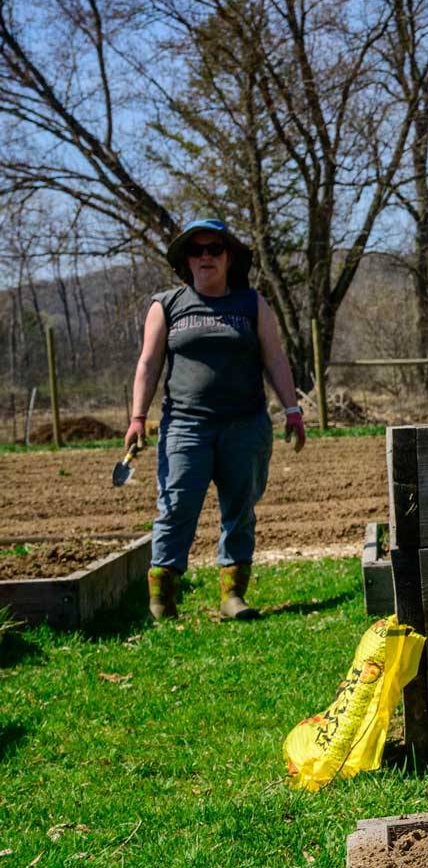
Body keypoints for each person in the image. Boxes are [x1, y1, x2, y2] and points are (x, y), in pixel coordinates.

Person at [124, 219, 308, 621]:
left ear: (229, 258)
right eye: (197, 250)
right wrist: (138, 417)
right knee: (176, 505)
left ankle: (232, 597)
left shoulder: (251, 304)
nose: (205, 256)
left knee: (240, 507)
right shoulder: (166, 305)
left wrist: (292, 410)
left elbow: (275, 358)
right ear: (186, 260)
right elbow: (149, 362)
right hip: (185, 426)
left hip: (244, 424)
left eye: (214, 249)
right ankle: (162, 598)